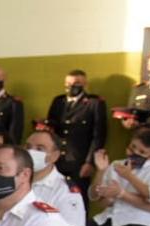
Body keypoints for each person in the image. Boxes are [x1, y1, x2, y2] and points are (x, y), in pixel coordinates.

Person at [85, 128, 150, 226]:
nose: (134, 152)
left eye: (142, 152)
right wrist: (101, 170)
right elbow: (94, 197)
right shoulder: (116, 164)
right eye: (133, 147)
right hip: (109, 217)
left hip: (137, 222)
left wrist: (124, 186)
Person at [46, 69, 107, 204]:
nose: (71, 86)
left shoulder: (94, 103)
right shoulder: (58, 101)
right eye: (68, 83)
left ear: (85, 84)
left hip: (79, 161)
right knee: (53, 198)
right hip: (57, 159)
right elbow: (50, 129)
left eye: (77, 83)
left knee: (78, 200)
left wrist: (90, 162)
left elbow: (98, 135)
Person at [25, 129, 87, 226]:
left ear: (54, 156)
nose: (31, 152)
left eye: (39, 149)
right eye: (28, 147)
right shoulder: (11, 179)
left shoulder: (66, 191)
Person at [120, 52, 150, 130]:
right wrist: (128, 122)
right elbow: (129, 114)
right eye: (149, 66)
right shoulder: (139, 89)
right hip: (142, 139)